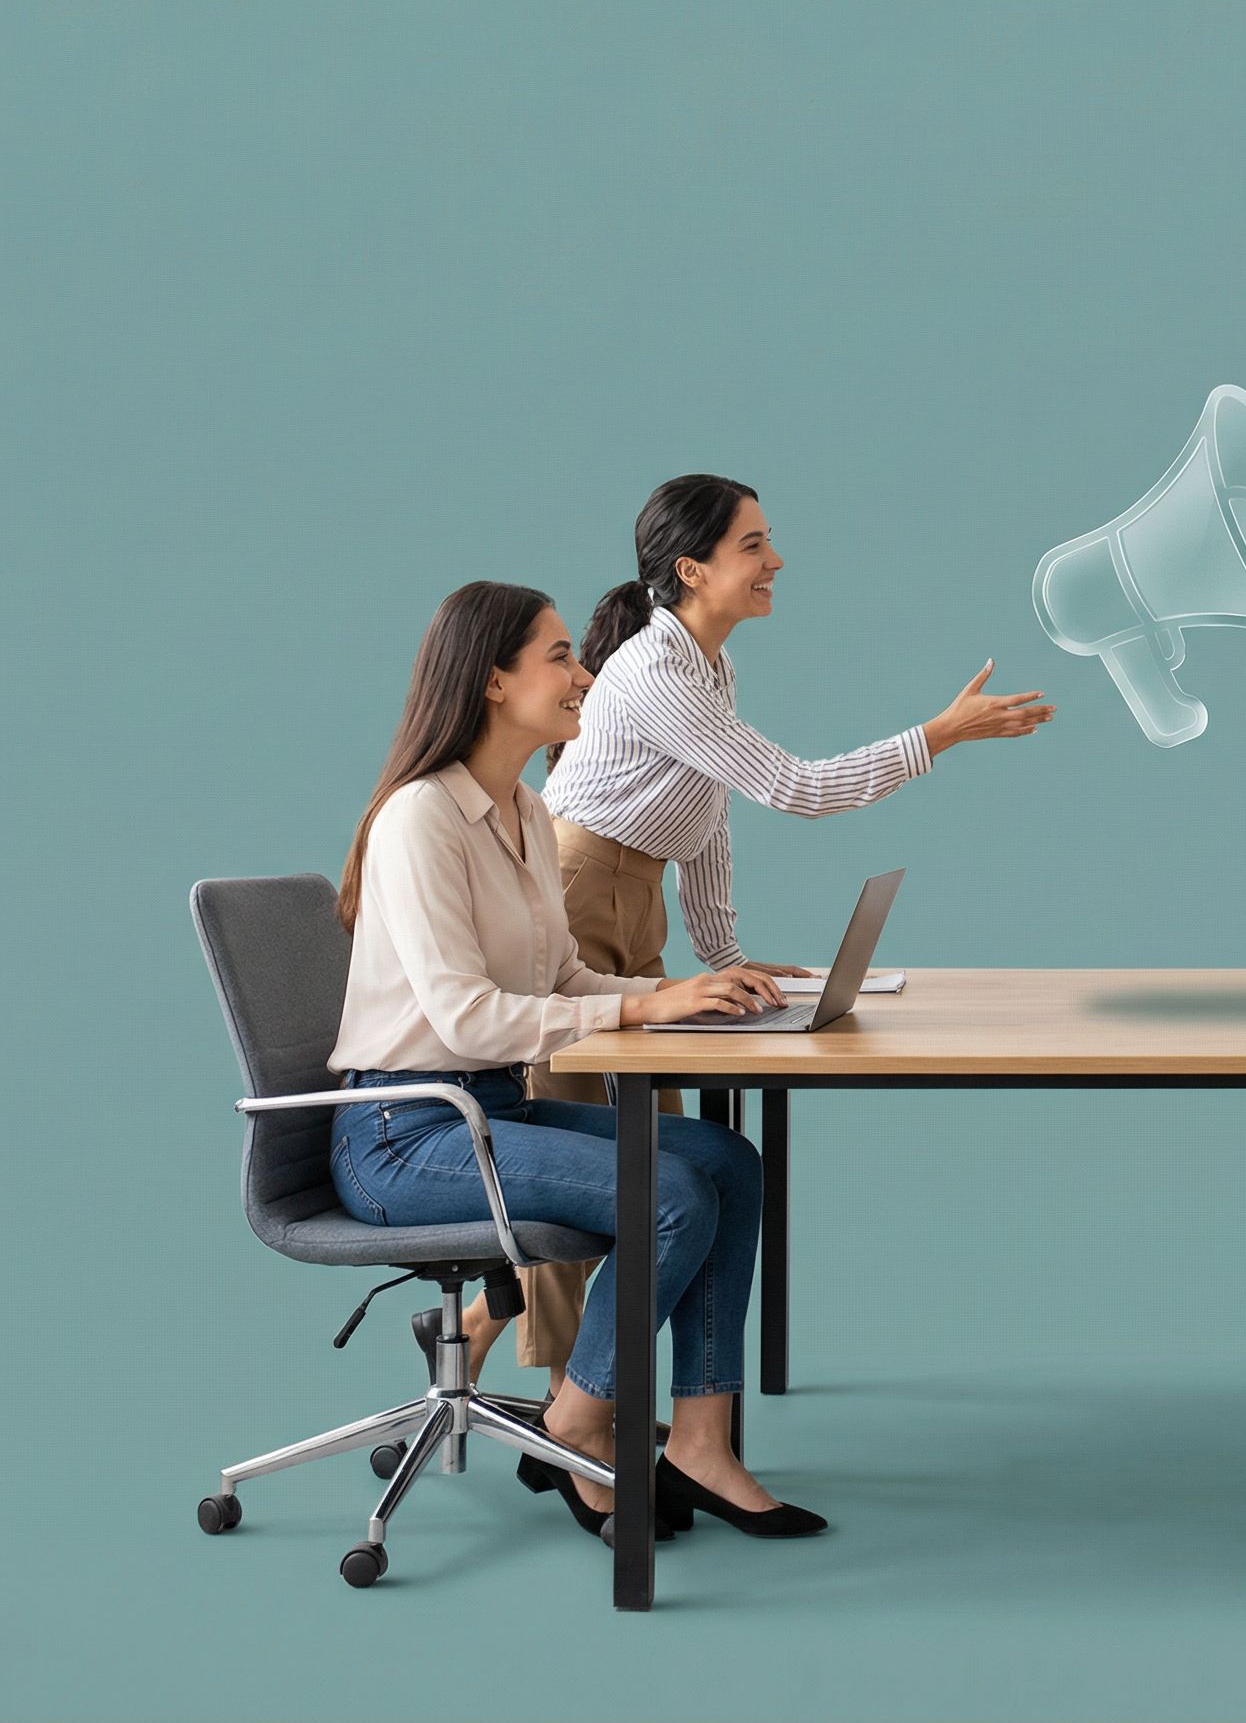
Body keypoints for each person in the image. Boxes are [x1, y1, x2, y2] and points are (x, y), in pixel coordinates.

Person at [453, 475, 1054, 1392]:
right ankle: (570, 1423)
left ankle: (498, 1331)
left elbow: (704, 815)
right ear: (692, 569)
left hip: (629, 895)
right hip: (575, 897)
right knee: (604, 1166)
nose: (776, 560)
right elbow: (796, 790)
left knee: (648, 1152)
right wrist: (939, 736)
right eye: (754, 545)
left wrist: (725, 955)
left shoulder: (709, 665)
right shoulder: (656, 671)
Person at [329, 580, 826, 1540]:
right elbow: (466, 1018)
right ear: (490, 682)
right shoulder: (419, 821)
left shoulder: (523, 809)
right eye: (559, 656)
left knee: (726, 1162)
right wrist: (642, 1002)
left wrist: (675, 996)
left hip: (487, 1112)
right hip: (402, 1132)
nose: (584, 673)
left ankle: (700, 1444)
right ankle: (580, 1420)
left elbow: (561, 975)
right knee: (669, 1194)